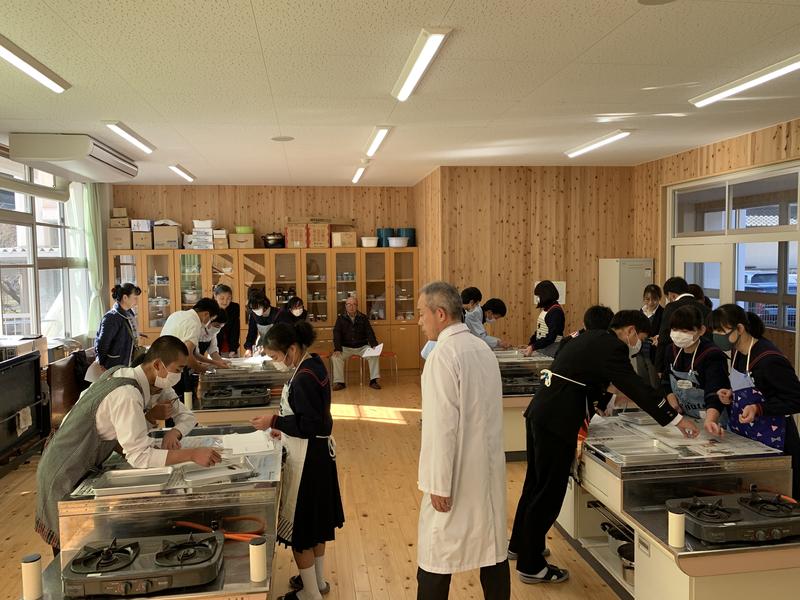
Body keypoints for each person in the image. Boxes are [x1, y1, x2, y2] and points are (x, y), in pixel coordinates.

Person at [509, 310, 698, 584]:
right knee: (548, 492)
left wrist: (606, 400)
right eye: (641, 337)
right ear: (631, 330)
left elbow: (585, 379)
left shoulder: (586, 338)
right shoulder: (612, 347)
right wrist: (676, 420)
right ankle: (531, 565)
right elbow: (635, 386)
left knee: (535, 485)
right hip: (557, 421)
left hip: (540, 414)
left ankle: (522, 545)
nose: (638, 344)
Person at [34, 336, 221, 551]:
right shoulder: (127, 394)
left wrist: (162, 437)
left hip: (80, 459)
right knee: (71, 547)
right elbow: (139, 456)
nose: (179, 376)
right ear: (158, 365)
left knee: (86, 543)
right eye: (177, 370)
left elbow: (109, 428)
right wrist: (192, 454)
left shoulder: (131, 377)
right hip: (64, 468)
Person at [415, 282, 509, 600]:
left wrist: (438, 483)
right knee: (491, 548)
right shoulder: (481, 349)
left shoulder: (443, 355)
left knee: (436, 551)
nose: (419, 321)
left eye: (422, 313)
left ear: (440, 314)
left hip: (456, 473)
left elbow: (441, 427)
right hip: (486, 468)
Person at [250, 322, 344, 600]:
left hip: (307, 461)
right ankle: (318, 582)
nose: (275, 362)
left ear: (291, 349)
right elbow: (310, 418)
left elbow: (309, 425)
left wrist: (274, 421)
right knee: (317, 527)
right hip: (319, 455)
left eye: (275, 356)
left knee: (302, 533)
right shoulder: (313, 364)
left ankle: (310, 594)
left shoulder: (303, 378)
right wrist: (284, 428)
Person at [710, 304, 800, 498]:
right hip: (746, 436)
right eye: (714, 331)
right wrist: (732, 395)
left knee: (777, 497)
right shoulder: (736, 352)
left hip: (776, 439)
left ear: (740, 328)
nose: (717, 336)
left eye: (721, 331)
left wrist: (759, 408)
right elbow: (750, 388)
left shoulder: (769, 359)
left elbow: (796, 399)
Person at [661, 305, 729, 430]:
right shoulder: (671, 350)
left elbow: (715, 392)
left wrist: (711, 421)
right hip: (686, 417)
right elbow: (665, 380)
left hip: (712, 419)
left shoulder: (712, 354)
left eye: (685, 331)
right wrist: (672, 402)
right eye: (675, 329)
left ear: (701, 330)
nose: (679, 334)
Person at [160, 298, 221, 397]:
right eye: (211, 319)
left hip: (162, 365)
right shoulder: (194, 323)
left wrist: (215, 363)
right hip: (172, 369)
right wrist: (204, 370)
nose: (208, 323)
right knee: (177, 400)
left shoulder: (177, 314)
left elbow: (195, 354)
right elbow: (188, 356)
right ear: (206, 314)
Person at [88, 283, 143, 382]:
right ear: (125, 298)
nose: (137, 301)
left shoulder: (129, 313)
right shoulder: (111, 318)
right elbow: (102, 344)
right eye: (135, 298)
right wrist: (101, 364)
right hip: (113, 366)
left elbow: (125, 332)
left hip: (126, 363)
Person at [654, 277, 711, 374]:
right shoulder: (706, 309)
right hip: (702, 358)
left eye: (668, 298)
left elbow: (664, 337)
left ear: (671, 295)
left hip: (676, 357)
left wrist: (659, 367)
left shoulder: (671, 307)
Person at [331, 297, 382, 391]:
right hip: (346, 347)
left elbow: (369, 332)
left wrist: (374, 345)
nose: (351, 307)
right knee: (336, 357)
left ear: (357, 306)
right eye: (349, 304)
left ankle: (373, 381)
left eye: (354, 304)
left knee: (374, 354)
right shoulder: (340, 318)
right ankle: (340, 382)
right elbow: (336, 334)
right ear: (345, 306)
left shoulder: (363, 317)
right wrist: (337, 348)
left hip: (361, 346)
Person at [524, 280, 565, 357]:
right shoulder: (546, 309)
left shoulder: (555, 311)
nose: (537, 299)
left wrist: (533, 347)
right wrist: (530, 345)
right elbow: (540, 331)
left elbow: (551, 337)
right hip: (543, 348)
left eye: (538, 296)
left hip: (552, 349)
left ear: (545, 295)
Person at [244, 288, 279, 357]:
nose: (255, 310)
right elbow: (251, 333)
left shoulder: (277, 313)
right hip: (262, 345)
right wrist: (249, 348)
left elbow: (281, 335)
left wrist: (269, 348)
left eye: (258, 308)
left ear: (264, 304)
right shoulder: (253, 314)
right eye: (253, 309)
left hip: (277, 346)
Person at [213, 283, 240, 357]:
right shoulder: (211, 308)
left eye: (228, 298)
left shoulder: (234, 308)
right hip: (213, 346)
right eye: (222, 298)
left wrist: (233, 349)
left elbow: (235, 329)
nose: (225, 302)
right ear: (215, 296)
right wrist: (214, 352)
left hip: (230, 345)